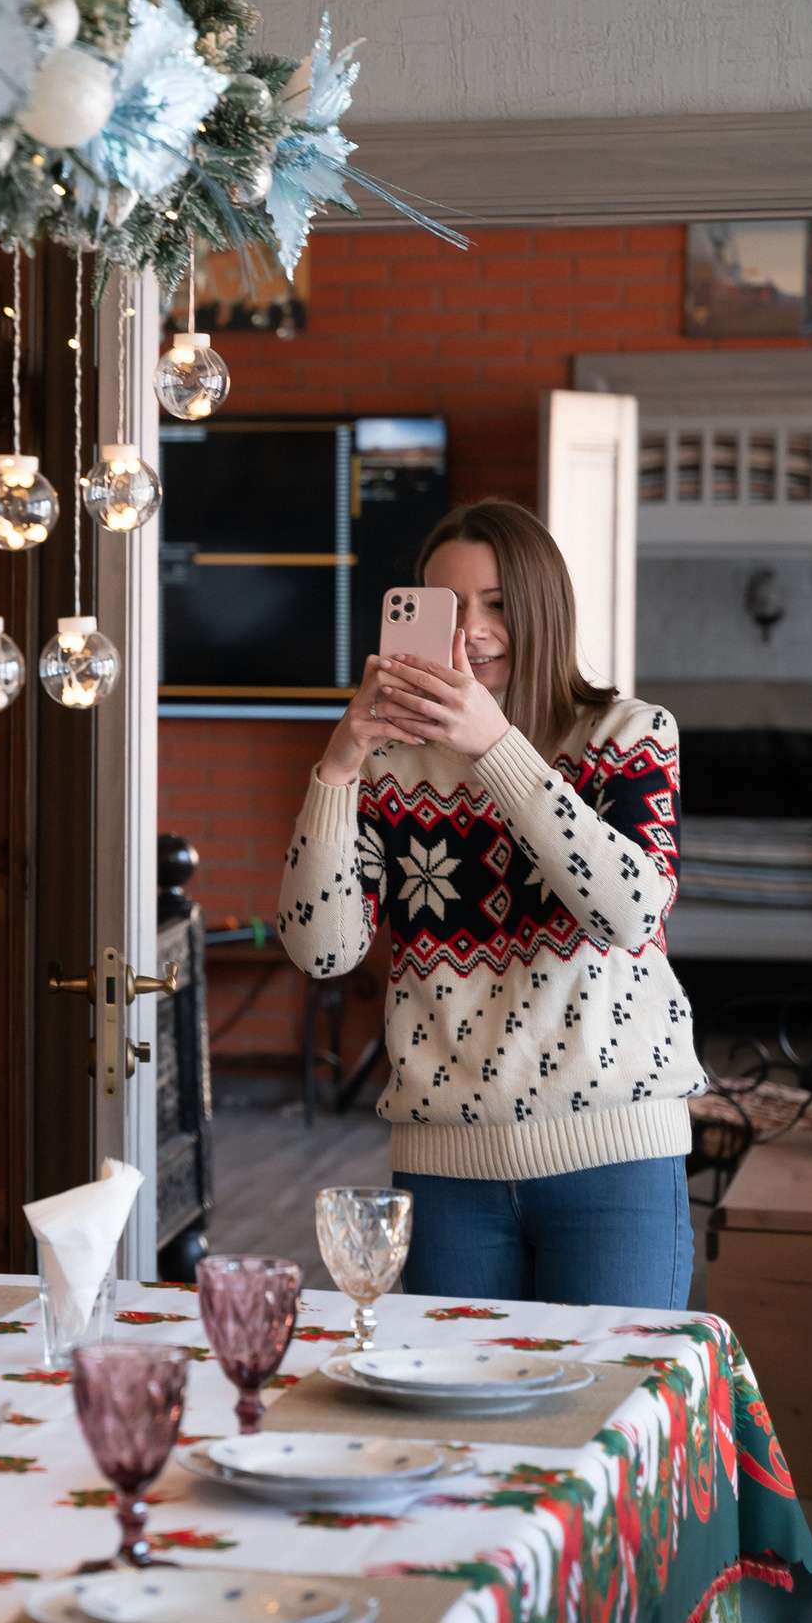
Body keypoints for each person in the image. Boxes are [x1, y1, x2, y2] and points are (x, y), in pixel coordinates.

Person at [275, 501, 704, 1307]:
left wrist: (496, 746)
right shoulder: (390, 769)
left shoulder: (629, 735)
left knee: (608, 1411)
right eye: (447, 606)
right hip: (445, 1173)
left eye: (497, 603)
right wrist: (340, 761)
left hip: (614, 1160)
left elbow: (629, 912)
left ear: (544, 606)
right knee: (461, 1435)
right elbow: (321, 948)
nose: (470, 632)